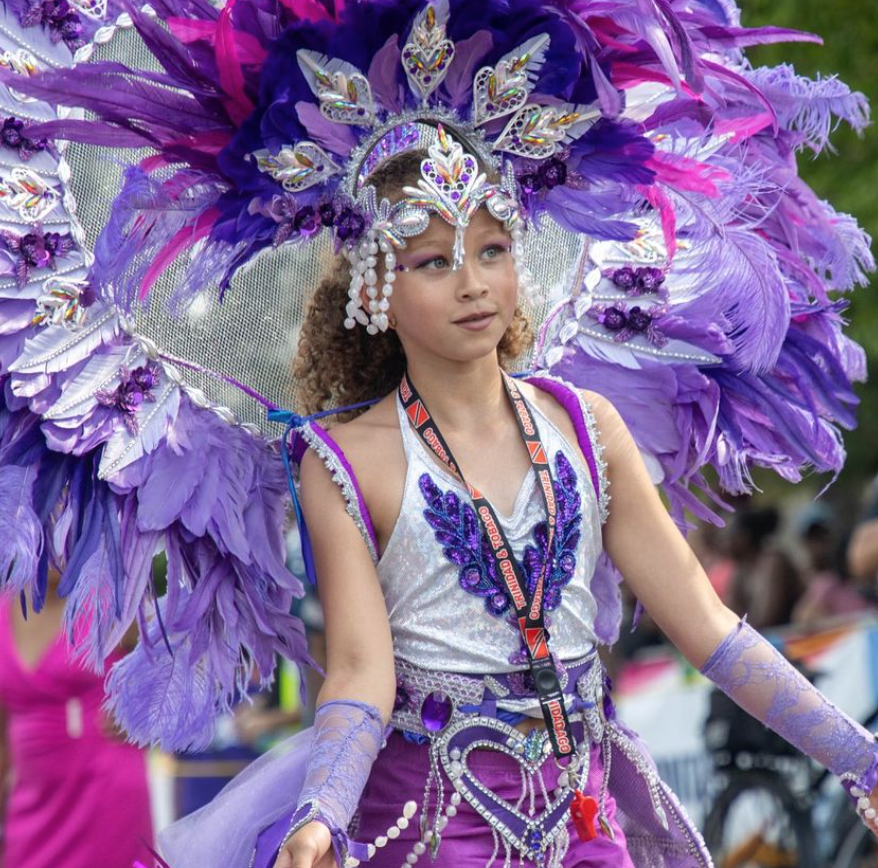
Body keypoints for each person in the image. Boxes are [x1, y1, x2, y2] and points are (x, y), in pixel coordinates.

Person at [0, 1, 875, 867]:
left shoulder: (584, 425)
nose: (473, 285)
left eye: (492, 250)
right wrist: (320, 816)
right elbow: (357, 675)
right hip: (425, 833)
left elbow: (710, 630)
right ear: (376, 286)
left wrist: (856, 755)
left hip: (584, 827)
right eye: (433, 261)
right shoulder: (343, 462)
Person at [0, 572, 153, 868]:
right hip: (31, 805)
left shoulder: (111, 598)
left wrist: (145, 709)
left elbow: (182, 654)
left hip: (105, 798)